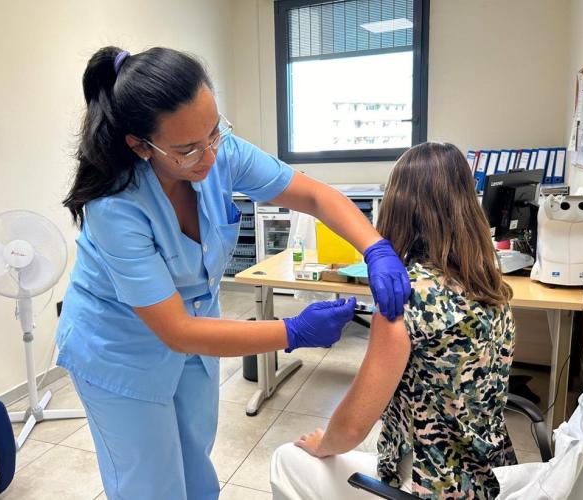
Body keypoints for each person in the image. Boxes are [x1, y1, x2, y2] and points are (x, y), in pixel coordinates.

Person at [56, 46, 411, 500]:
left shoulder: (219, 151)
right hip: (119, 347)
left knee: (195, 465)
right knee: (150, 483)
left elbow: (315, 196)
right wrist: (293, 331)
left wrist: (376, 247)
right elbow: (178, 331)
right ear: (141, 146)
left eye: (214, 133)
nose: (209, 157)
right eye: (187, 149)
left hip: (194, 332)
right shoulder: (115, 206)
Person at [271, 142, 518, 500]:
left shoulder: (405, 300)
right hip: (490, 479)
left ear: (397, 207)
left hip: (428, 486)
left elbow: (351, 429)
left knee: (287, 459)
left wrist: (323, 443)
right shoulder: (492, 286)